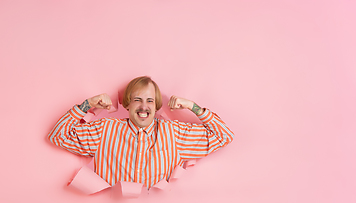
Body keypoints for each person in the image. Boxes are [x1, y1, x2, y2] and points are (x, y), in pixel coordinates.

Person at [48, 76, 234, 189]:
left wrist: (192, 107)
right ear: (128, 104)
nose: (144, 106)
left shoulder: (174, 133)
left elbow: (223, 136)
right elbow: (58, 136)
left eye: (150, 101)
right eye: (137, 99)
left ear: (156, 106)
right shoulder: (105, 130)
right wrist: (87, 104)